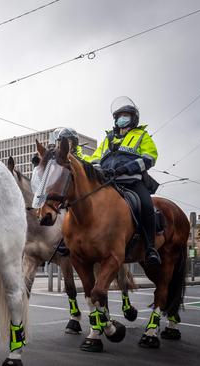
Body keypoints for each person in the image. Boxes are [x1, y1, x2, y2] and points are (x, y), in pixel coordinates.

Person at [85, 96, 161, 266]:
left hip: (132, 182)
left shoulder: (141, 135)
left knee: (147, 205)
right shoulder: (108, 138)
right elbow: (95, 160)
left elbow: (150, 158)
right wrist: (99, 171)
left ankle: (150, 248)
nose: (122, 118)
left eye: (126, 115)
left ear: (133, 118)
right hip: (108, 182)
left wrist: (126, 168)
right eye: (119, 116)